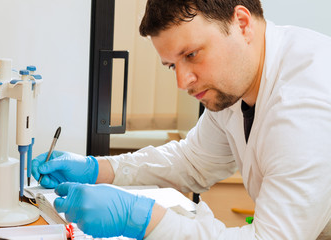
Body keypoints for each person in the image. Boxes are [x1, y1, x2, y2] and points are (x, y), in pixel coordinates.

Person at [32, 0, 331, 239]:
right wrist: (99, 170)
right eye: (171, 65)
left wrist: (140, 219)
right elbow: (192, 161)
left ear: (241, 24)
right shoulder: (233, 85)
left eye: (192, 54)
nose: (182, 81)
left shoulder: (305, 106)